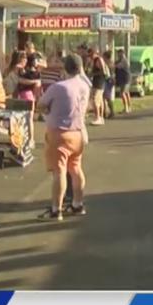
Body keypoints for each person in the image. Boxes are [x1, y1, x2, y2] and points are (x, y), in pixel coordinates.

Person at [37, 55, 90, 221]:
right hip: (78, 132)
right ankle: (77, 204)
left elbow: (41, 105)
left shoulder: (58, 87)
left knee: (59, 171)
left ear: (65, 68)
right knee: (75, 169)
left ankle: (56, 209)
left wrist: (46, 111)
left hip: (60, 132)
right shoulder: (84, 87)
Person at [88, 48, 108, 126]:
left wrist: (93, 74)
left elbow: (103, 71)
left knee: (95, 100)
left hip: (99, 82)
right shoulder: (95, 60)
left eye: (91, 55)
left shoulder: (98, 60)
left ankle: (97, 117)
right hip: (98, 82)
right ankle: (101, 117)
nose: (90, 57)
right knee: (100, 100)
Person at [114, 49, 132, 115]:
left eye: (119, 53)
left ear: (122, 53)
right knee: (126, 93)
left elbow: (117, 66)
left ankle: (126, 108)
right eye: (118, 53)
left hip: (126, 79)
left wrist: (112, 65)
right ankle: (128, 107)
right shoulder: (119, 60)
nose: (118, 55)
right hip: (122, 79)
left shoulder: (124, 60)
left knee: (123, 93)